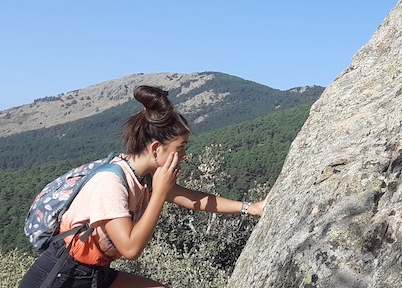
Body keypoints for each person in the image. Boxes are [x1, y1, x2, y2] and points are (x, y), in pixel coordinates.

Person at [19, 85, 265, 288]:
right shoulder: (112, 182)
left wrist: (250, 208)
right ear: (156, 148)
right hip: (60, 277)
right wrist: (158, 194)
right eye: (181, 148)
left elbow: (195, 199)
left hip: (93, 274)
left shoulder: (144, 177)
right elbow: (130, 248)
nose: (184, 156)